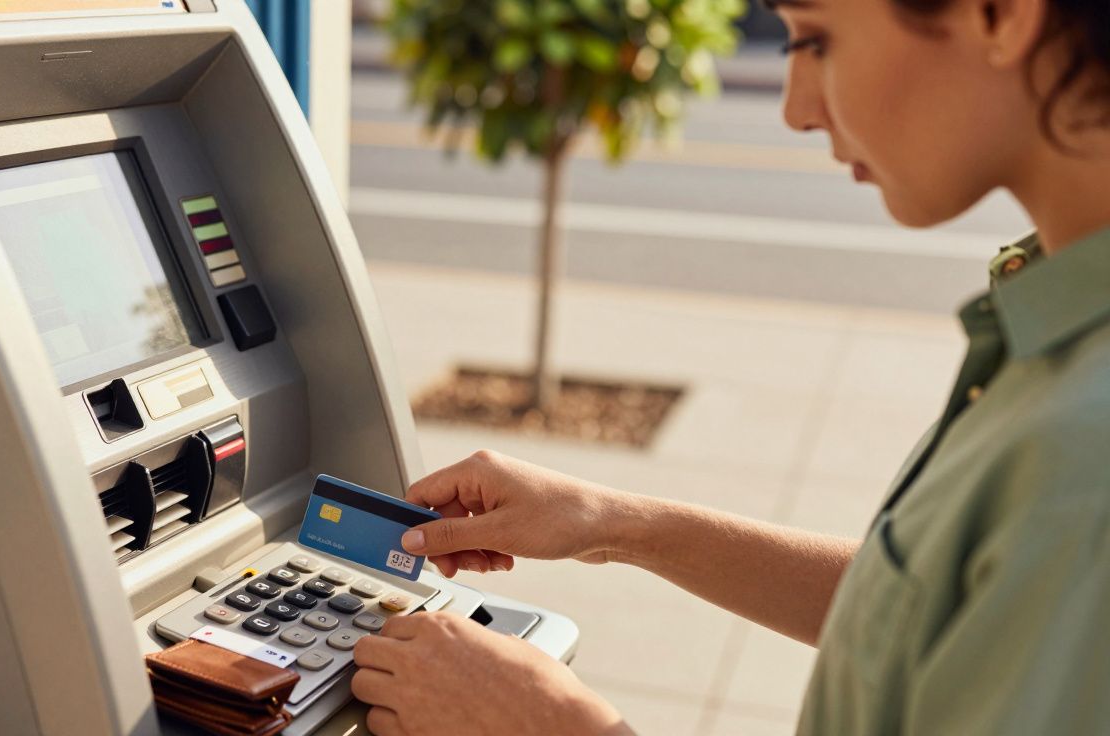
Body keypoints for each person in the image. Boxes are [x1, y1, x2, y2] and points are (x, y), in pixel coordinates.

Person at [349, 0, 1110, 731]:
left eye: (814, 39)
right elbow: (944, 612)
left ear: (1000, 13)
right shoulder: (1052, 315)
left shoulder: (1086, 444)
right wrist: (615, 525)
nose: (797, 108)